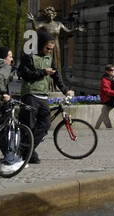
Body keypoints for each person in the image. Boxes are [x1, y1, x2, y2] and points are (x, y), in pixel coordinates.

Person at [18, 30, 74, 163]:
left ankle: (27, 149)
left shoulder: (49, 58)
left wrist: (65, 90)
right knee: (29, 125)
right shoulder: (29, 56)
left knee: (45, 124)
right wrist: (43, 72)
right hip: (30, 94)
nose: (50, 51)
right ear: (40, 45)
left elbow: (56, 76)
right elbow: (25, 74)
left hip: (43, 96)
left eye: (52, 49)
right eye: (48, 48)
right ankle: (28, 153)